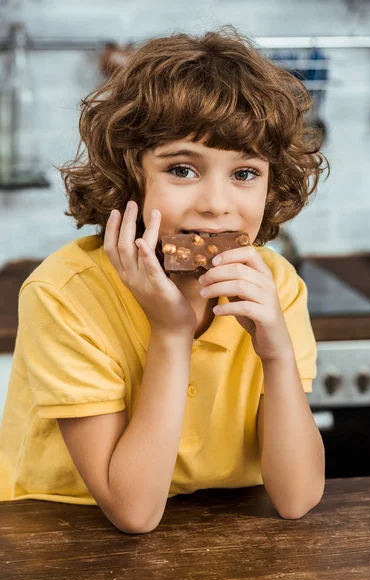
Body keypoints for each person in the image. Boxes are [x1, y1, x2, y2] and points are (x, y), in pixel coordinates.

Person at [0, 26, 329, 534]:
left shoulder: (276, 286)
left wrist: (277, 354)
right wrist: (172, 333)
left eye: (244, 174)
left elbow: (297, 498)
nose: (217, 204)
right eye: (182, 169)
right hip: (61, 535)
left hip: (218, 535)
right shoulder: (65, 296)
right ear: (129, 175)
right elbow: (133, 512)